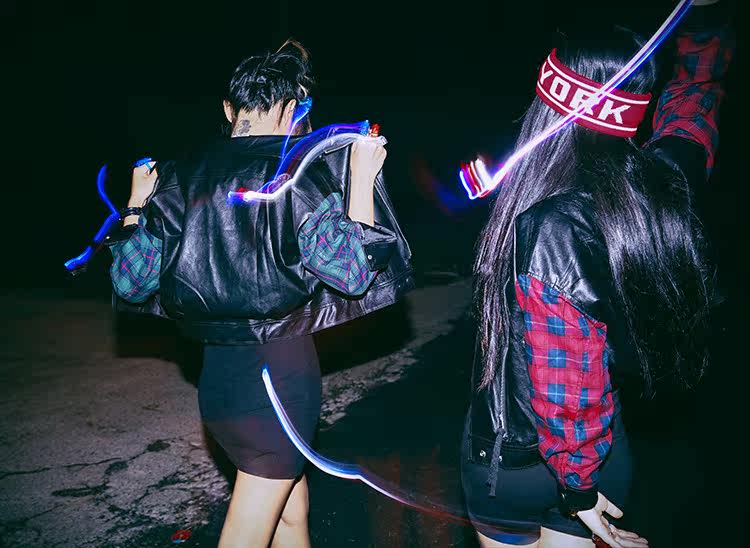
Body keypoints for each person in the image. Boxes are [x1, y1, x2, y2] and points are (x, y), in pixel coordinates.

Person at [107, 40, 412, 547]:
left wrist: (137, 204)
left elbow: (129, 282)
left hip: (217, 385)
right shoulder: (297, 177)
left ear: (229, 109)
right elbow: (353, 275)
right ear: (294, 110)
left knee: (292, 512)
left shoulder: (179, 176)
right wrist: (360, 180)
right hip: (279, 382)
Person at [461, 1, 732, 546]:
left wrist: (578, 487)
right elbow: (693, 111)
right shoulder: (661, 184)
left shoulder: (551, 222)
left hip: (524, 465)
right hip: (603, 453)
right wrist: (704, 24)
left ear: (547, 108)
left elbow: (567, 376)